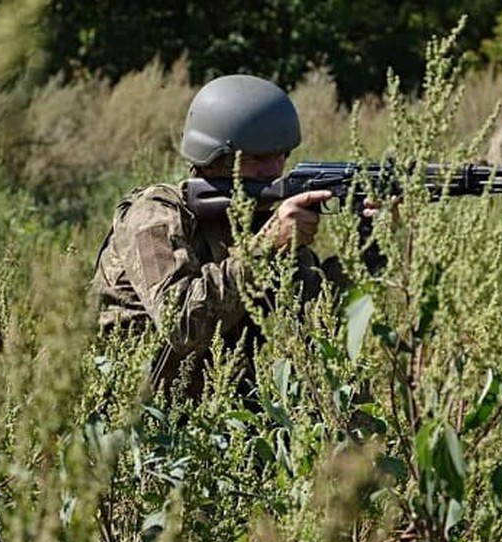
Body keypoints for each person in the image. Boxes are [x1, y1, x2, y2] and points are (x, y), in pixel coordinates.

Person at [92, 74, 337, 399]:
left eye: (281, 155)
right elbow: (181, 325)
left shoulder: (254, 215)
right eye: (257, 158)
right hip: (140, 417)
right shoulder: (153, 215)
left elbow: (317, 311)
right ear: (215, 159)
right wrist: (264, 247)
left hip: (222, 410)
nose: (275, 169)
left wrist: (369, 242)